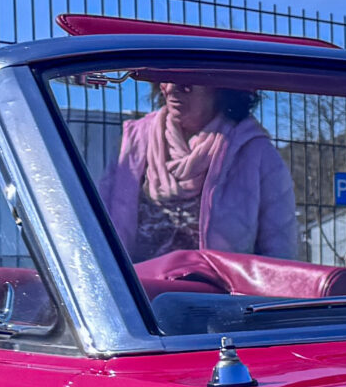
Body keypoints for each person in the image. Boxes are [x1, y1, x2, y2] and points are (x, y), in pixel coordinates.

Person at [98, 81, 297, 261]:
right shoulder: (133, 142)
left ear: (220, 89)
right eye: (164, 79)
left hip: (217, 290)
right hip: (133, 288)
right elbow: (98, 226)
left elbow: (279, 256)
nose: (171, 89)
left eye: (185, 83)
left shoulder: (258, 153)